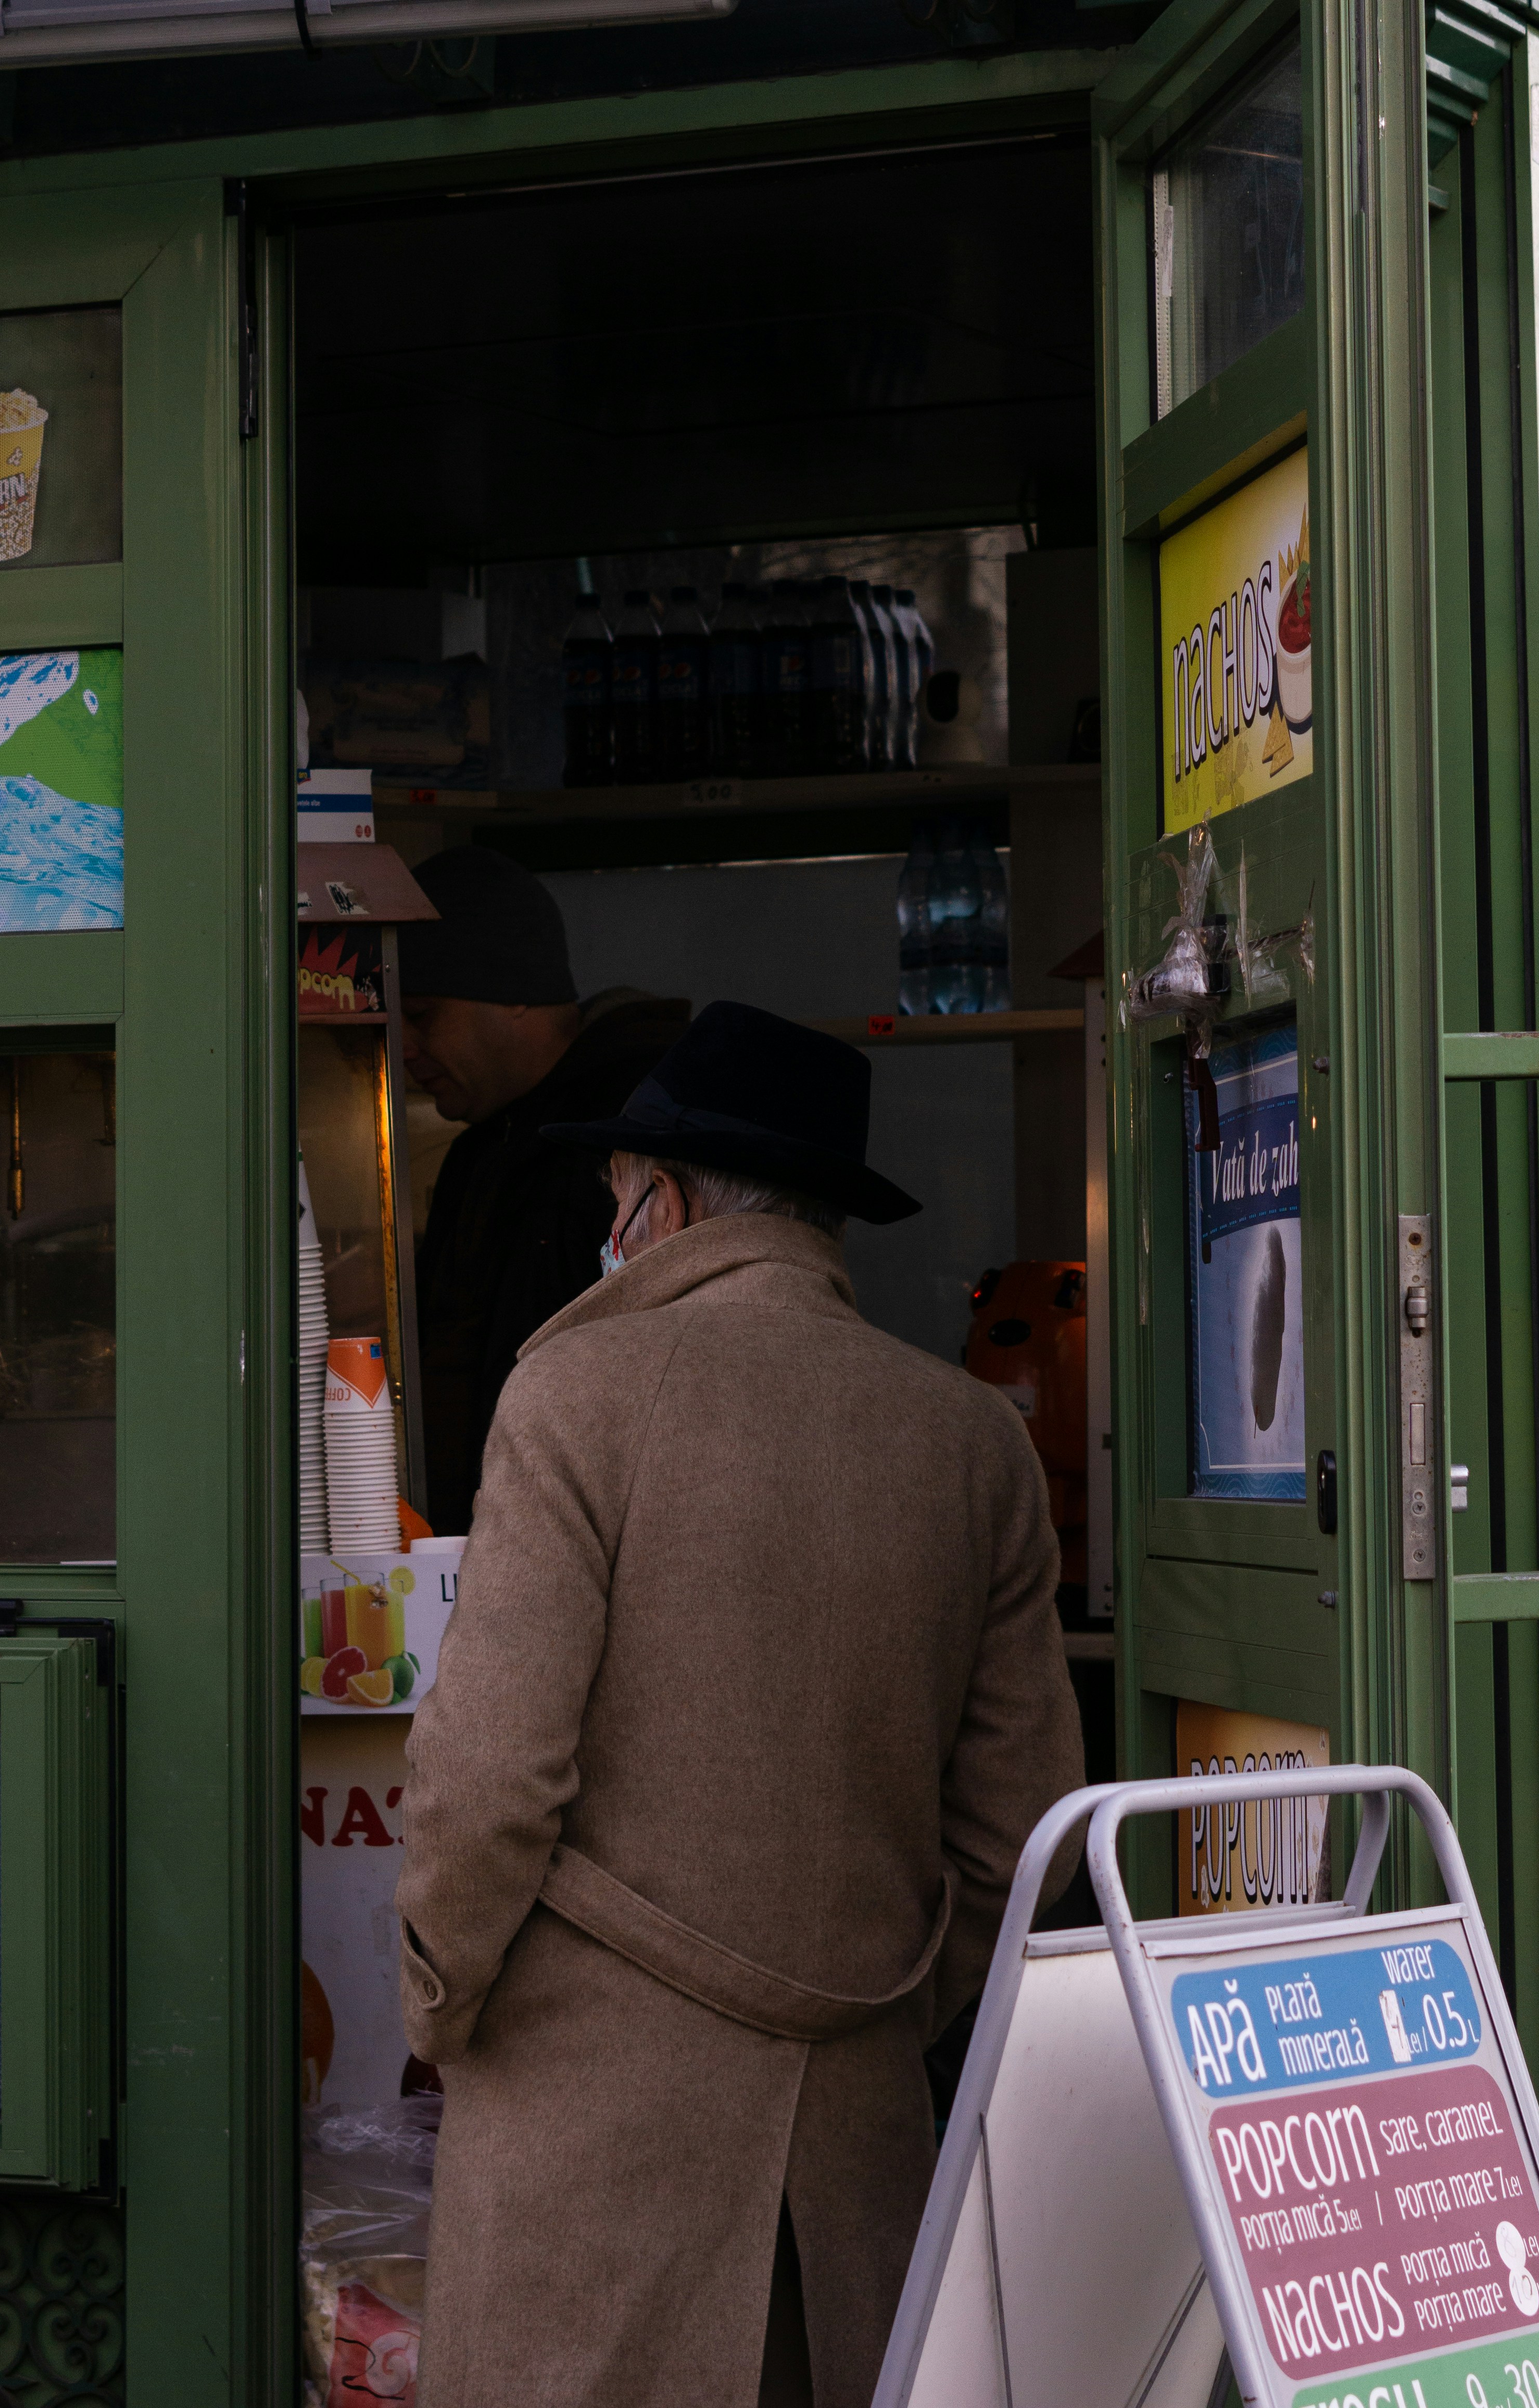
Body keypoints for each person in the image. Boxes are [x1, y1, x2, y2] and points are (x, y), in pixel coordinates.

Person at [396, 1000, 1084, 2408]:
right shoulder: (973, 1441)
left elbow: (488, 1784)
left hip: (591, 2133)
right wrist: (858, 2007)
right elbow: (1022, 1835)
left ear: (665, 1199)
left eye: (612, 1199)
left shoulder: (575, 1389)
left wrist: (438, 1996)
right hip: (860, 2148)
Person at [397, 846, 686, 1533]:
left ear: (514, 990)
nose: (403, 1047)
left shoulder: (646, 1131)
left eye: (423, 1013)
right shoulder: (485, 1150)